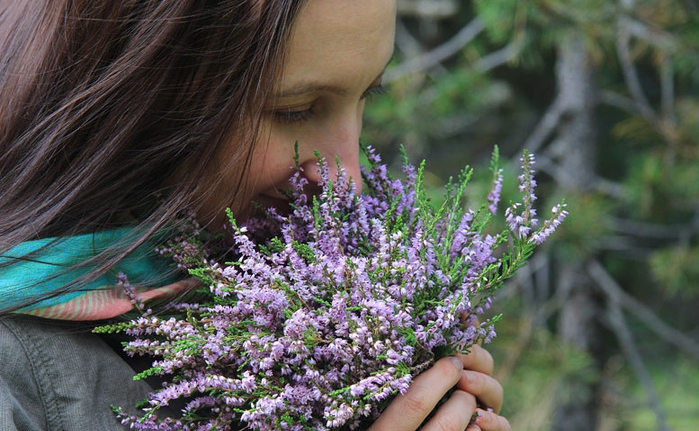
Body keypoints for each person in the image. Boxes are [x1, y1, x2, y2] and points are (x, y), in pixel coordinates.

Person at [0, 1, 511, 430]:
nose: (347, 179)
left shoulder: (282, 295)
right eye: (294, 109)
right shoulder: (17, 373)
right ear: (143, 88)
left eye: (367, 96)